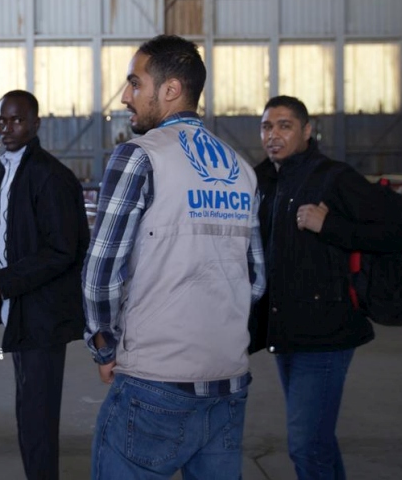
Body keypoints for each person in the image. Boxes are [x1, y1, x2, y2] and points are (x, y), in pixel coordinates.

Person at [82, 36, 265, 479]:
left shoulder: (139, 157)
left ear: (170, 90)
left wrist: (102, 343)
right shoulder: (241, 169)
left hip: (155, 383)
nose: (126, 95)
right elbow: (256, 279)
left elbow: (100, 275)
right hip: (227, 384)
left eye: (134, 83)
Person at [252, 95, 402, 479]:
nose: (273, 135)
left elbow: (394, 234)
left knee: (305, 445)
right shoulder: (264, 180)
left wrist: (331, 225)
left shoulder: (334, 178)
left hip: (327, 333)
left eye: (285, 126)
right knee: (317, 441)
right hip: (285, 330)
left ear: (307, 131)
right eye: (267, 126)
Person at [0, 90, 88, 480]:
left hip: (42, 315)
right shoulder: (5, 169)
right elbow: (3, 236)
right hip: (18, 311)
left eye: (17, 120)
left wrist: (3, 282)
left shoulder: (51, 177)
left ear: (36, 123)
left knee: (38, 417)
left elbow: (62, 251)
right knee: (28, 411)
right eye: (2, 120)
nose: (7, 128)